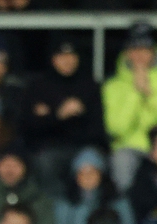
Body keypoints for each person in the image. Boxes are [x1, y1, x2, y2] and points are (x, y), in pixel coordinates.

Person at [103, 21, 157, 192]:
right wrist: (135, 93)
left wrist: (150, 93)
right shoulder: (113, 85)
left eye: (144, 49)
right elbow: (116, 129)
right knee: (122, 162)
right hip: (132, 145)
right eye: (133, 49)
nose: (138, 55)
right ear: (126, 52)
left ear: (154, 51)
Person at [22, 33, 106, 199]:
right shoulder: (38, 86)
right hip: (51, 149)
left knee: (88, 165)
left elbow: (97, 130)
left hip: (84, 147)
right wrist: (59, 116)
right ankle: (56, 217)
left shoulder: (89, 85)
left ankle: (88, 219)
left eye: (71, 55)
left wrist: (51, 117)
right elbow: (29, 128)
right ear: (53, 59)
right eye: (61, 56)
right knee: (45, 162)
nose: (67, 61)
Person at [55, 147, 136, 224]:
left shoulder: (117, 201)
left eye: (92, 172)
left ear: (101, 174)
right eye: (82, 173)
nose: (88, 177)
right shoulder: (66, 205)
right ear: (76, 177)